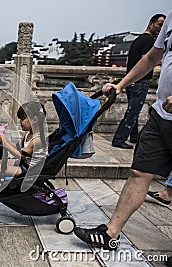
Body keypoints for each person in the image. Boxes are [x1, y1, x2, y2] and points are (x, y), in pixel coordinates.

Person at [74, 9, 172, 255]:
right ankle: (110, 233)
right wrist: (120, 84)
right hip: (162, 113)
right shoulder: (170, 16)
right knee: (139, 171)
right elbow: (151, 58)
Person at [112, 14, 165, 149]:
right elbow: (147, 60)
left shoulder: (137, 40)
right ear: (150, 24)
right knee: (133, 111)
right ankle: (119, 139)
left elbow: (129, 61)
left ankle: (134, 137)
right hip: (140, 81)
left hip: (132, 81)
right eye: (159, 24)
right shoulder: (149, 41)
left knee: (133, 109)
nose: (161, 28)